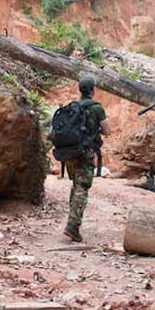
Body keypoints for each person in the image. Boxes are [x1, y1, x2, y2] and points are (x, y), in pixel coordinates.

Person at [62, 75, 111, 242]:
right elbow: (107, 130)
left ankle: (72, 220)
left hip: (69, 153)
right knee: (82, 187)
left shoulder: (72, 106)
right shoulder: (96, 108)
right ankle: (73, 225)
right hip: (85, 153)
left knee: (76, 186)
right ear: (92, 90)